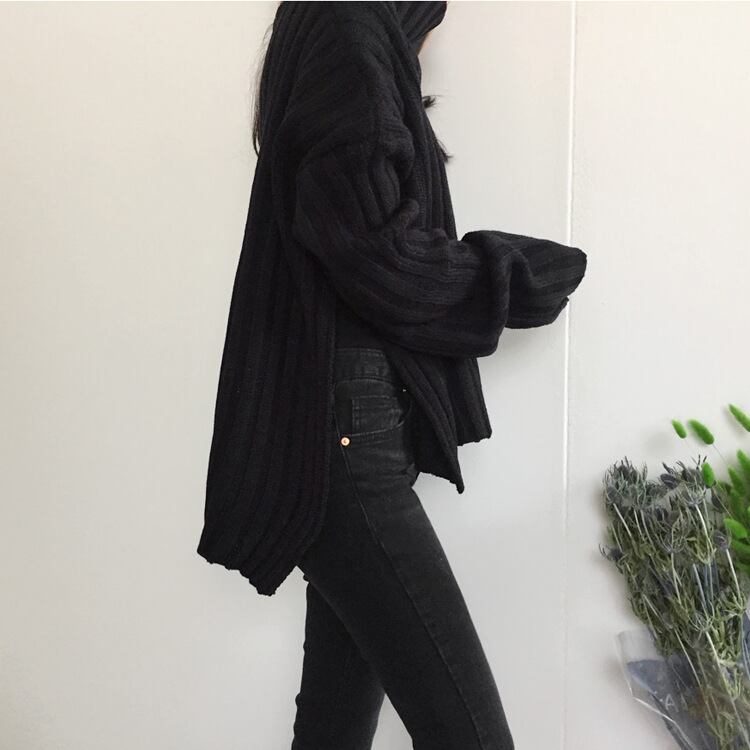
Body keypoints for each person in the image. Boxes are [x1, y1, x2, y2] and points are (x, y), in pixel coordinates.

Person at [197, 2, 587, 748]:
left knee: (333, 730)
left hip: (344, 420)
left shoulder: (333, 28)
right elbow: (377, 256)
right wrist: (512, 274)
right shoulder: (349, 31)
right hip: (347, 435)